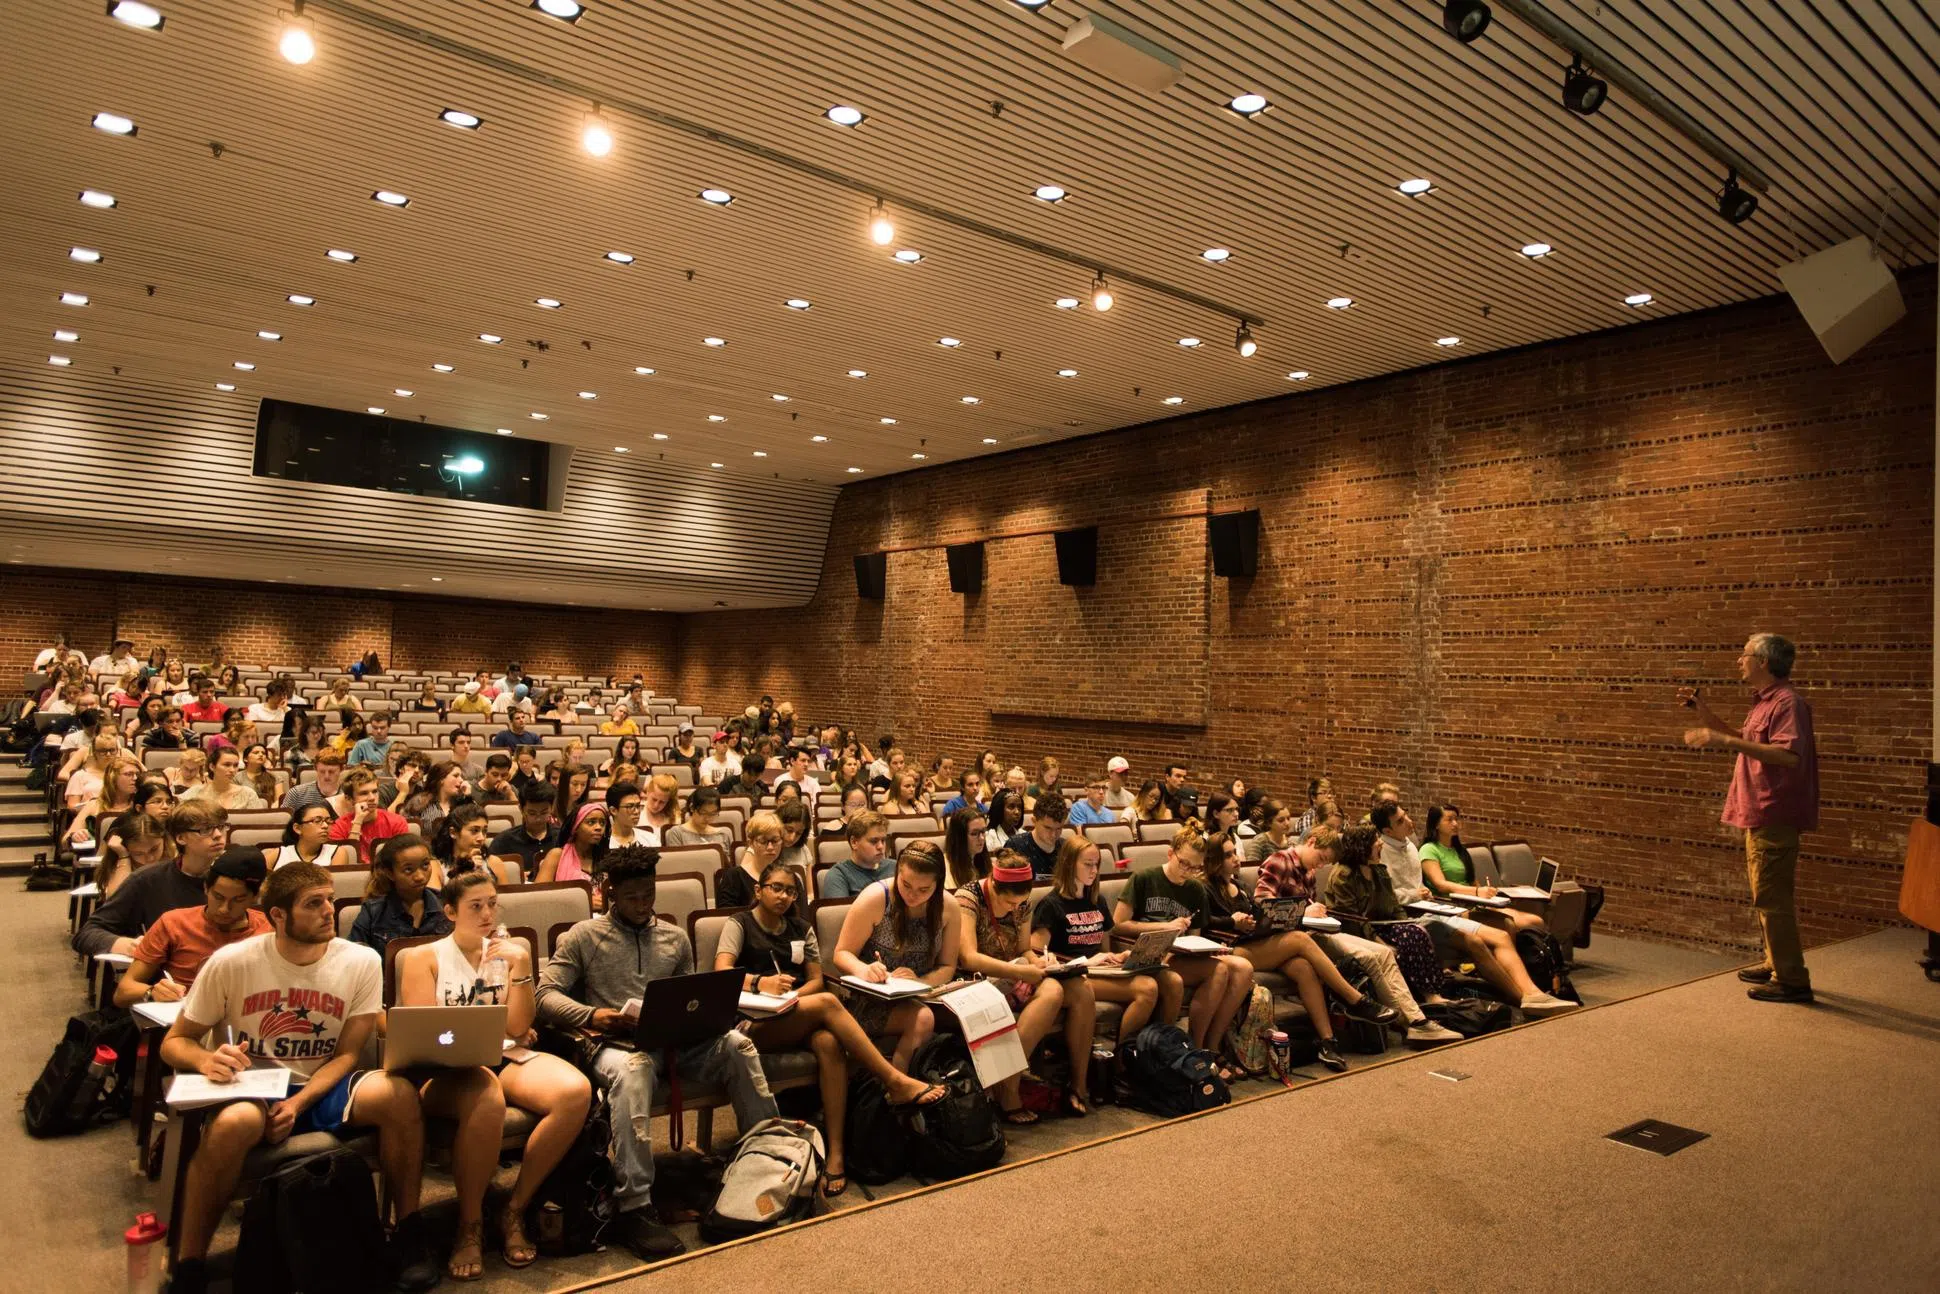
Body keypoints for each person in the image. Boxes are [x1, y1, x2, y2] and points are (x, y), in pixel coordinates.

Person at [158, 861, 439, 1294]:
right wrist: (205, 1060)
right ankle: (191, 1262)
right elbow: (175, 1042)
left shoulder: (360, 961)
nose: (330, 910)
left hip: (320, 1083)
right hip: (253, 1085)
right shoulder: (231, 963)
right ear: (279, 916)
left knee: (398, 1095)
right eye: (314, 904)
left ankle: (409, 1234)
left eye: (330, 899)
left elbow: (347, 1054)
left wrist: (299, 1103)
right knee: (237, 1123)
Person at [536, 846, 779, 1260]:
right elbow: (545, 996)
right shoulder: (583, 937)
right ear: (611, 893)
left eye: (649, 894)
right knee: (634, 1070)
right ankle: (635, 1205)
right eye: (632, 897)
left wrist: (709, 1018)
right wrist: (598, 1014)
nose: (643, 904)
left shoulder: (674, 937)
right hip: (616, 1044)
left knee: (738, 1045)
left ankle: (766, 1163)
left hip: (675, 1042)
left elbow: (690, 998)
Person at [396, 872, 592, 1276]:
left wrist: (520, 967)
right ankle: (469, 1226)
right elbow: (428, 1037)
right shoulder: (423, 958)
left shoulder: (511, 952)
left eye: (491, 904)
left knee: (574, 1091)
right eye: (475, 906)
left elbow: (519, 1028)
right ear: (450, 911)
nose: (487, 914)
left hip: (500, 1056)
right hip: (445, 1071)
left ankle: (514, 1208)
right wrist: (481, 1038)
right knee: (486, 1095)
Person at [714, 861, 946, 1196]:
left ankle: (836, 1154)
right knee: (827, 1004)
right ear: (758, 890)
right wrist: (760, 983)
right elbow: (722, 972)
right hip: (751, 1022)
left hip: (792, 1012)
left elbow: (815, 981)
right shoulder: (738, 924)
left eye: (791, 891)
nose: (783, 896)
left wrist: (793, 998)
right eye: (775, 888)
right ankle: (894, 1079)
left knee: (828, 1042)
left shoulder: (800, 928)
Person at [1680, 633, 1820, 1003]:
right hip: (1759, 812)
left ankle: (1791, 979)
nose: (1738, 661)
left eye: (1743, 655)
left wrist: (1722, 741)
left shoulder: (1788, 703)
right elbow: (1745, 738)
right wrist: (1704, 713)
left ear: (1762, 661)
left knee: (1773, 899)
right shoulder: (1764, 703)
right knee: (1765, 894)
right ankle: (1775, 961)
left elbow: (1788, 756)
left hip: (1775, 812)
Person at [1201, 829, 1397, 1072]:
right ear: (1215, 859)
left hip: (1261, 941)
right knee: (1300, 939)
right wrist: (1235, 922)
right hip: (1232, 948)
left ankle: (1327, 1042)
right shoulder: (1205, 887)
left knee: (1304, 968)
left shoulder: (1238, 886)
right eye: (1229, 855)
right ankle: (1354, 999)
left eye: (1234, 853)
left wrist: (1257, 921)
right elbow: (1219, 918)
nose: (1236, 858)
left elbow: (1261, 915)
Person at [1254, 828, 1461, 1047]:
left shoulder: (1309, 871)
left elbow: (1307, 908)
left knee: (1383, 953)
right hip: (1287, 941)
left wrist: (1316, 910)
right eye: (1322, 858)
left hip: (1312, 932)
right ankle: (1409, 1022)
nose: (1321, 866)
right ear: (1312, 842)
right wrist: (1304, 912)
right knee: (1367, 956)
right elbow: (1262, 906)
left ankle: (1417, 1019)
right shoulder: (1279, 861)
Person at [1372, 803, 1575, 1016]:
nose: (1409, 822)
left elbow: (1416, 884)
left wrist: (1423, 892)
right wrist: (1416, 894)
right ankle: (1523, 998)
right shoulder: (1381, 852)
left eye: (1406, 816)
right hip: (1410, 919)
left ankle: (1533, 992)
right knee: (1477, 941)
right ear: (1387, 831)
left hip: (1431, 909)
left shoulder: (1410, 846)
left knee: (1502, 935)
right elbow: (1387, 897)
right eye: (1401, 821)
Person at [956, 852, 1096, 1119]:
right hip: (974, 981)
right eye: (1008, 902)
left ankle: (1078, 1084)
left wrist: (1042, 961)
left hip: (1013, 975)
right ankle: (1009, 1087)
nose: (1013, 909)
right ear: (993, 886)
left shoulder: (1022, 903)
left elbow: (1023, 949)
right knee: (1052, 991)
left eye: (1018, 904)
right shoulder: (968, 897)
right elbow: (968, 957)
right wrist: (1021, 969)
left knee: (1078, 989)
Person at [1111, 822, 1255, 1076]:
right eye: (1183, 863)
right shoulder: (1144, 878)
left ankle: (1202, 1047)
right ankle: (1173, 1050)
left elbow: (1194, 937)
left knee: (1235, 968)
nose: (1187, 871)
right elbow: (1118, 925)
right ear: (1171, 854)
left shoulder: (1195, 888)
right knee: (1193, 977)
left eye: (1195, 867)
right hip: (1146, 954)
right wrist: (1165, 927)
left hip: (1177, 954)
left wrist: (1207, 949)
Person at [1031, 833, 1173, 1050]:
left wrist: (1117, 957)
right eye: (1088, 864)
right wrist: (1088, 962)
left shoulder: (1098, 901)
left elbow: (1104, 948)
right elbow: (1039, 954)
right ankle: (1122, 1058)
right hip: (1074, 975)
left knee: (1168, 980)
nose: (1094, 870)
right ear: (1069, 864)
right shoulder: (1051, 905)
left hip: (1100, 969)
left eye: (1096, 864)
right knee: (1147, 988)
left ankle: (1159, 1051)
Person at [830, 840, 960, 1071]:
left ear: (938, 884)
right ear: (898, 872)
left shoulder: (948, 906)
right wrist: (865, 969)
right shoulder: (876, 897)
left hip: (924, 992)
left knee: (973, 1014)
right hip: (872, 997)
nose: (912, 895)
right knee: (923, 1018)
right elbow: (841, 954)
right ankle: (898, 1091)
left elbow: (948, 966)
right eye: (906, 884)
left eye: (924, 890)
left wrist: (920, 983)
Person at [114, 847, 271, 1007]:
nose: (224, 908)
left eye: (238, 900)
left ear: (255, 898)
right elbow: (123, 992)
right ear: (206, 888)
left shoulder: (270, 931)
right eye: (218, 897)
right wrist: (151, 991)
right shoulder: (174, 923)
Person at [75, 800, 230, 957]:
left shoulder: (239, 875)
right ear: (181, 838)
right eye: (205, 830)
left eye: (222, 827)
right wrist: (127, 945)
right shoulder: (147, 879)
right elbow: (88, 933)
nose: (218, 835)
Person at [1418, 804, 1545, 938]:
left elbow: (1472, 881)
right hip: (1452, 905)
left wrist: (1487, 895)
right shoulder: (1429, 849)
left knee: (1536, 921)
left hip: (1473, 901)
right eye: (1449, 820)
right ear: (1436, 825)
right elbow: (1440, 884)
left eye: (1456, 819)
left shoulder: (1459, 850)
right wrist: (1477, 892)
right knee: (1509, 924)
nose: (1455, 824)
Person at [349, 833, 453, 956]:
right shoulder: (373, 911)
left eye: (425, 865)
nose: (420, 876)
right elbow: (354, 958)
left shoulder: (448, 903)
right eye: (408, 869)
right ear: (390, 873)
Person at [327, 767, 411, 866]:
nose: (372, 798)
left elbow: (402, 861)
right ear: (349, 799)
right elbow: (346, 867)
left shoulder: (397, 822)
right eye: (364, 793)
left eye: (375, 791)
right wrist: (358, 822)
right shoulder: (339, 827)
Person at [433, 801, 521, 885]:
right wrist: (464, 870)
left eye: (484, 831)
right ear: (453, 833)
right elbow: (439, 900)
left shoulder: (494, 863)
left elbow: (502, 899)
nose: (481, 838)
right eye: (474, 831)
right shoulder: (436, 866)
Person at [490, 780, 562, 880]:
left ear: (552, 808)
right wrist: (513, 877)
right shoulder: (503, 841)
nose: (538, 818)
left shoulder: (562, 837)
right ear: (521, 809)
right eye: (532, 813)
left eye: (544, 812)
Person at [93, 810, 169, 899]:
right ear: (127, 849)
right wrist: (123, 856)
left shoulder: (177, 856)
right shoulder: (120, 861)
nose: (150, 858)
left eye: (154, 849)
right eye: (138, 853)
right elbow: (116, 901)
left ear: (163, 838)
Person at [821, 810, 893, 899]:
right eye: (874, 841)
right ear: (854, 842)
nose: (881, 846)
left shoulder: (895, 867)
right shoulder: (838, 876)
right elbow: (840, 913)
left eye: (883, 840)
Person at [537, 801, 608, 885]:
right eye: (591, 822)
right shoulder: (557, 855)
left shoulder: (606, 857)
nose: (598, 827)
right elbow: (538, 894)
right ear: (576, 827)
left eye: (602, 823)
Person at [267, 801, 354, 870]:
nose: (325, 826)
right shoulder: (277, 854)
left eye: (328, 821)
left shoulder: (337, 853)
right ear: (297, 828)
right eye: (317, 820)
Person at [1008, 790, 1068, 879]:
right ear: (1034, 821)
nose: (1053, 835)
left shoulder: (1067, 848)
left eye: (1059, 828)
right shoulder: (1015, 846)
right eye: (1048, 828)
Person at [663, 785, 732, 855]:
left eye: (713, 814)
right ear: (692, 808)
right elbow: (676, 862)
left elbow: (728, 864)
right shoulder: (677, 833)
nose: (707, 818)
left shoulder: (722, 835)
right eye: (703, 813)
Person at [942, 805, 989, 890]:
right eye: (974, 834)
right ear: (959, 837)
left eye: (983, 831)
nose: (982, 838)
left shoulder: (984, 862)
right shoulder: (944, 869)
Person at [639, 772, 680, 843]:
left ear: (668, 801)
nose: (656, 805)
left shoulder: (674, 817)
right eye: (654, 799)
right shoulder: (636, 812)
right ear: (648, 792)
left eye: (662, 802)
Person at [984, 786, 1024, 851]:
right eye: (1011, 807)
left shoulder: (1023, 834)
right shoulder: (989, 836)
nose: (1017, 812)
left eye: (1019, 807)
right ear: (999, 809)